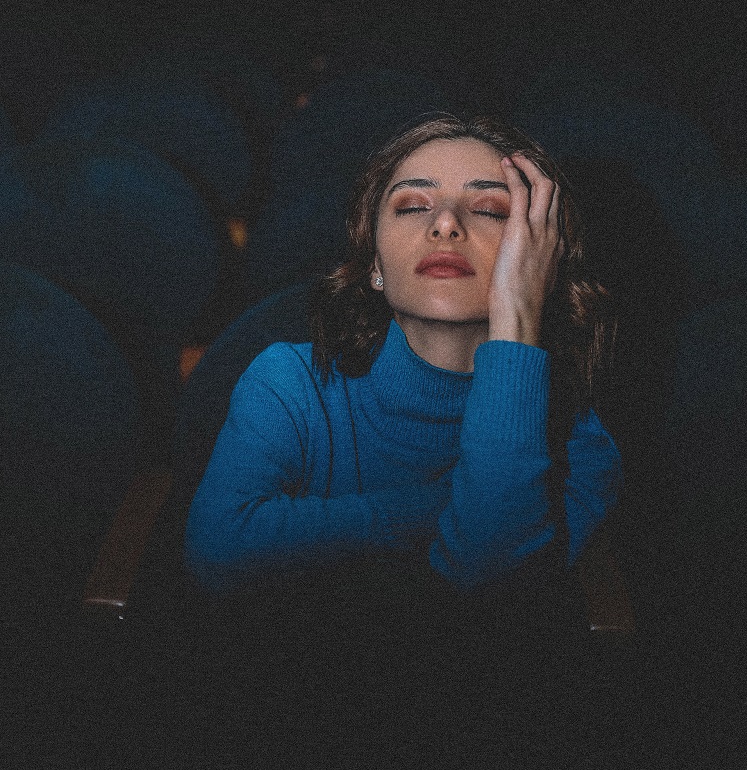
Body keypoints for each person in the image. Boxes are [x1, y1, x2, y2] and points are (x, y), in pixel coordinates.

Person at [184, 113, 621, 633]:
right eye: (413, 206)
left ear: (540, 260)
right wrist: (435, 509)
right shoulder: (289, 384)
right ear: (374, 263)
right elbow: (219, 551)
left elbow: (490, 589)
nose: (446, 224)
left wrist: (517, 321)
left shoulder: (577, 442)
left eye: (489, 210)